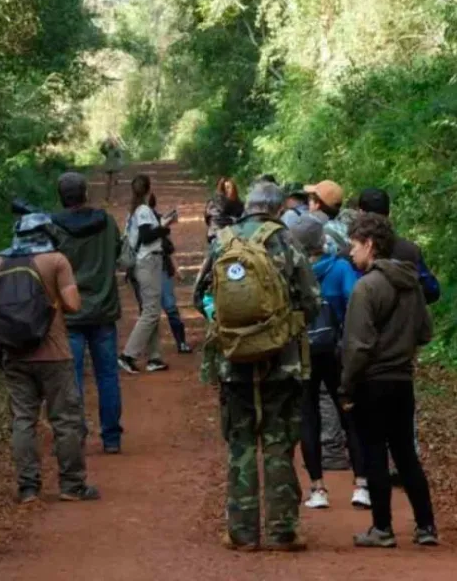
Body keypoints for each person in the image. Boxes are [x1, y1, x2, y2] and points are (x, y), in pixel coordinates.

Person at [194, 181, 321, 551]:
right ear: (278, 209)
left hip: (233, 362)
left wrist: (230, 328)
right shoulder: (286, 241)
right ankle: (283, 531)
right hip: (282, 361)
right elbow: (312, 301)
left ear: (247, 206)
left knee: (241, 442)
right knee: (279, 441)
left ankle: (242, 533)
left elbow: (199, 294)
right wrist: (280, 326)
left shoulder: (223, 240)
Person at [0, 213, 99, 503]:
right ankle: (72, 485)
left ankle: (28, 487)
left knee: (23, 420)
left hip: (14, 355)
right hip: (55, 355)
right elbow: (72, 304)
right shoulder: (56, 261)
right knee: (66, 420)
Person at [341, 213, 438, 548]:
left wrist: (346, 386)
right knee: (406, 454)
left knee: (374, 454)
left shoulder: (366, 287)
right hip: (403, 381)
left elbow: (358, 345)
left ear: (370, 244)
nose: (351, 253)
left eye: (354, 245)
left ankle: (382, 528)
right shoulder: (412, 284)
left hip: (372, 381)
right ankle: (426, 526)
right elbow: (425, 332)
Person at [286, 214, 369, 511]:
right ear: (323, 240)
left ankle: (317, 489)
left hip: (303, 351)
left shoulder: (292, 271)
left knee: (309, 417)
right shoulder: (341, 268)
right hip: (337, 352)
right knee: (349, 413)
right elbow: (355, 305)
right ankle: (361, 484)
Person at [52, 172, 124, 454]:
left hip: (70, 314)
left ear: (62, 196)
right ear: (85, 193)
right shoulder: (106, 222)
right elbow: (118, 253)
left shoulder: (54, 228)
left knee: (73, 379)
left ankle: (76, 437)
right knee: (108, 376)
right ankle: (112, 438)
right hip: (104, 310)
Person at [118, 175, 176, 374]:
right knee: (151, 311)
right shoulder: (142, 210)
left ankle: (154, 357)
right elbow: (146, 235)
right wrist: (165, 225)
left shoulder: (135, 211)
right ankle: (128, 355)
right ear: (148, 190)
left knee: (149, 310)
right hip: (147, 262)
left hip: (143, 263)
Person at [357, 188, 441, 304]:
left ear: (360, 213)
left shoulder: (351, 254)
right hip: (408, 319)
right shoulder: (410, 250)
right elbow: (432, 290)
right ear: (389, 213)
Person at [150, 192, 192, 354]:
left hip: (160, 267)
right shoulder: (141, 221)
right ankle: (154, 350)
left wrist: (176, 268)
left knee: (168, 307)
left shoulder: (156, 220)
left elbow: (168, 248)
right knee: (156, 310)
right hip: (151, 268)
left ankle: (180, 342)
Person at [305, 179, 349, 253]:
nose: (308, 203)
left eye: (310, 199)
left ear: (317, 205)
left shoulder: (318, 236)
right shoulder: (345, 228)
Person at [204, 177, 245, 245]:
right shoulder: (214, 203)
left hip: (232, 235)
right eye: (226, 188)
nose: (228, 191)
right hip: (220, 235)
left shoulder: (239, 204)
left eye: (229, 188)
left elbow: (207, 219)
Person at [99, 136, 125, 202]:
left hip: (115, 169)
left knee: (114, 184)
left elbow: (120, 154)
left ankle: (115, 199)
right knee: (107, 184)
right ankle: (106, 199)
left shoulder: (117, 150)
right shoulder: (107, 151)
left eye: (112, 141)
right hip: (108, 169)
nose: (110, 143)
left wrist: (116, 142)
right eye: (110, 142)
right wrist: (104, 141)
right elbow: (101, 149)